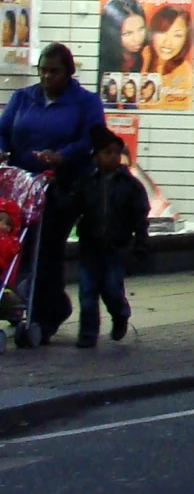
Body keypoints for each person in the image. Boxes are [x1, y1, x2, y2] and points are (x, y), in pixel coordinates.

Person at [0, 43, 106, 340]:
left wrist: (62, 155)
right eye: (43, 70)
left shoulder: (85, 103)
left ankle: (45, 313)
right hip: (22, 184)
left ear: (69, 72)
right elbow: (3, 130)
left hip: (62, 184)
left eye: (54, 71)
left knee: (46, 245)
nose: (47, 77)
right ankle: (23, 302)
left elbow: (91, 139)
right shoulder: (23, 98)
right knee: (15, 243)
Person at [72, 126, 148, 348]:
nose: (113, 157)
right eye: (107, 153)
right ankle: (88, 334)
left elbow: (140, 216)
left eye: (117, 152)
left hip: (116, 246)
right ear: (96, 156)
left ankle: (120, 314)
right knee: (87, 290)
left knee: (112, 288)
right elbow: (75, 205)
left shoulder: (130, 185)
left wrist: (141, 244)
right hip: (90, 244)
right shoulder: (88, 182)